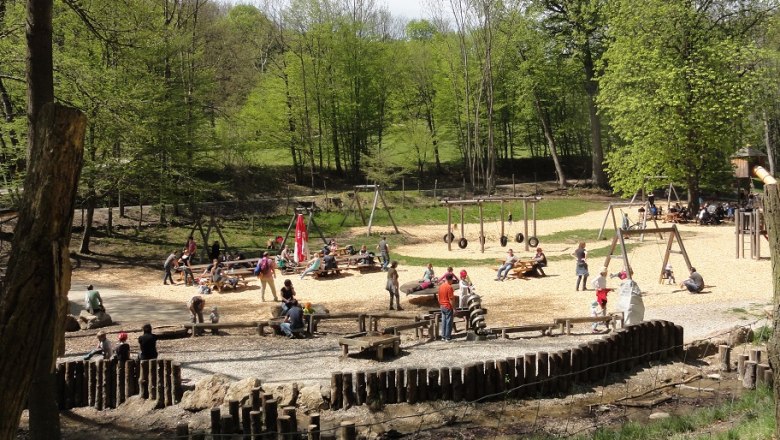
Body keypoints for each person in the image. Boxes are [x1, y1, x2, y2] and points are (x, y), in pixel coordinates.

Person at [438, 273, 456, 341]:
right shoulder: (449, 287)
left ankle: (443, 336)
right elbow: (451, 299)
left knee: (443, 321)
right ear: (450, 279)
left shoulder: (441, 286)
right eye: (452, 280)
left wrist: (440, 303)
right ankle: (447, 337)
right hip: (448, 306)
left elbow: (438, 296)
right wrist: (454, 309)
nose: (452, 281)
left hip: (442, 305)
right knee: (448, 322)